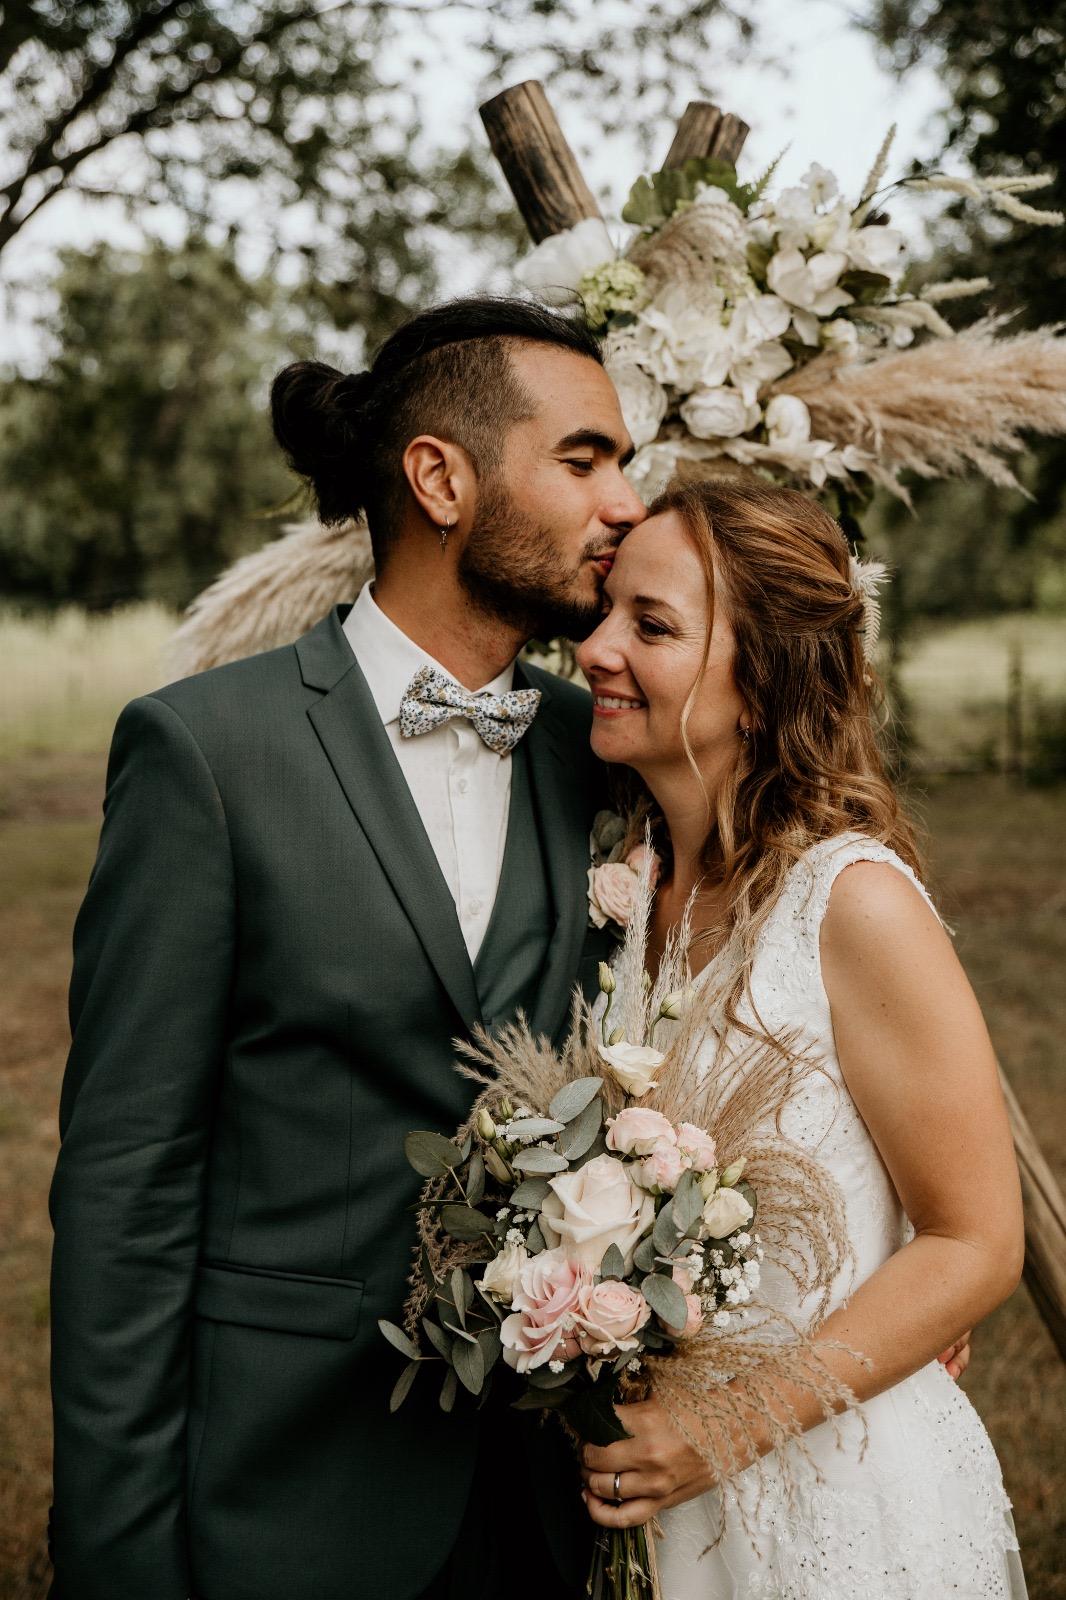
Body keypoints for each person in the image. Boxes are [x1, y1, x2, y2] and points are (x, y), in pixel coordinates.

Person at [46, 295, 645, 1600]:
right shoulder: (208, 752)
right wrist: (118, 1555)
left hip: (547, 1501)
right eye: (584, 459)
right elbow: (127, 1185)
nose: (624, 504)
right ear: (439, 478)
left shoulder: (600, 747)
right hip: (286, 1492)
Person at [572, 478, 1026, 1598]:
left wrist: (727, 1426)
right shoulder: (627, 886)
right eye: (605, 610)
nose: (593, 648)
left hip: (838, 1496)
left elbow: (975, 1240)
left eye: (651, 625)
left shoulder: (853, 902)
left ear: (763, 684)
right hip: (665, 1510)